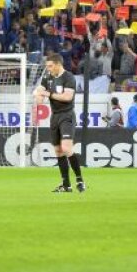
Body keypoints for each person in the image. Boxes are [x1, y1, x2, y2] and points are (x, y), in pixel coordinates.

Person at [35, 53, 83, 193]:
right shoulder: (47, 77)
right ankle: (66, 185)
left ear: (57, 64)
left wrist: (47, 94)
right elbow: (40, 100)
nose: (48, 69)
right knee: (58, 151)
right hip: (54, 116)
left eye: (50, 66)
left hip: (67, 115)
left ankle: (80, 179)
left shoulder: (68, 77)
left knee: (67, 148)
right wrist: (38, 94)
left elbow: (68, 97)